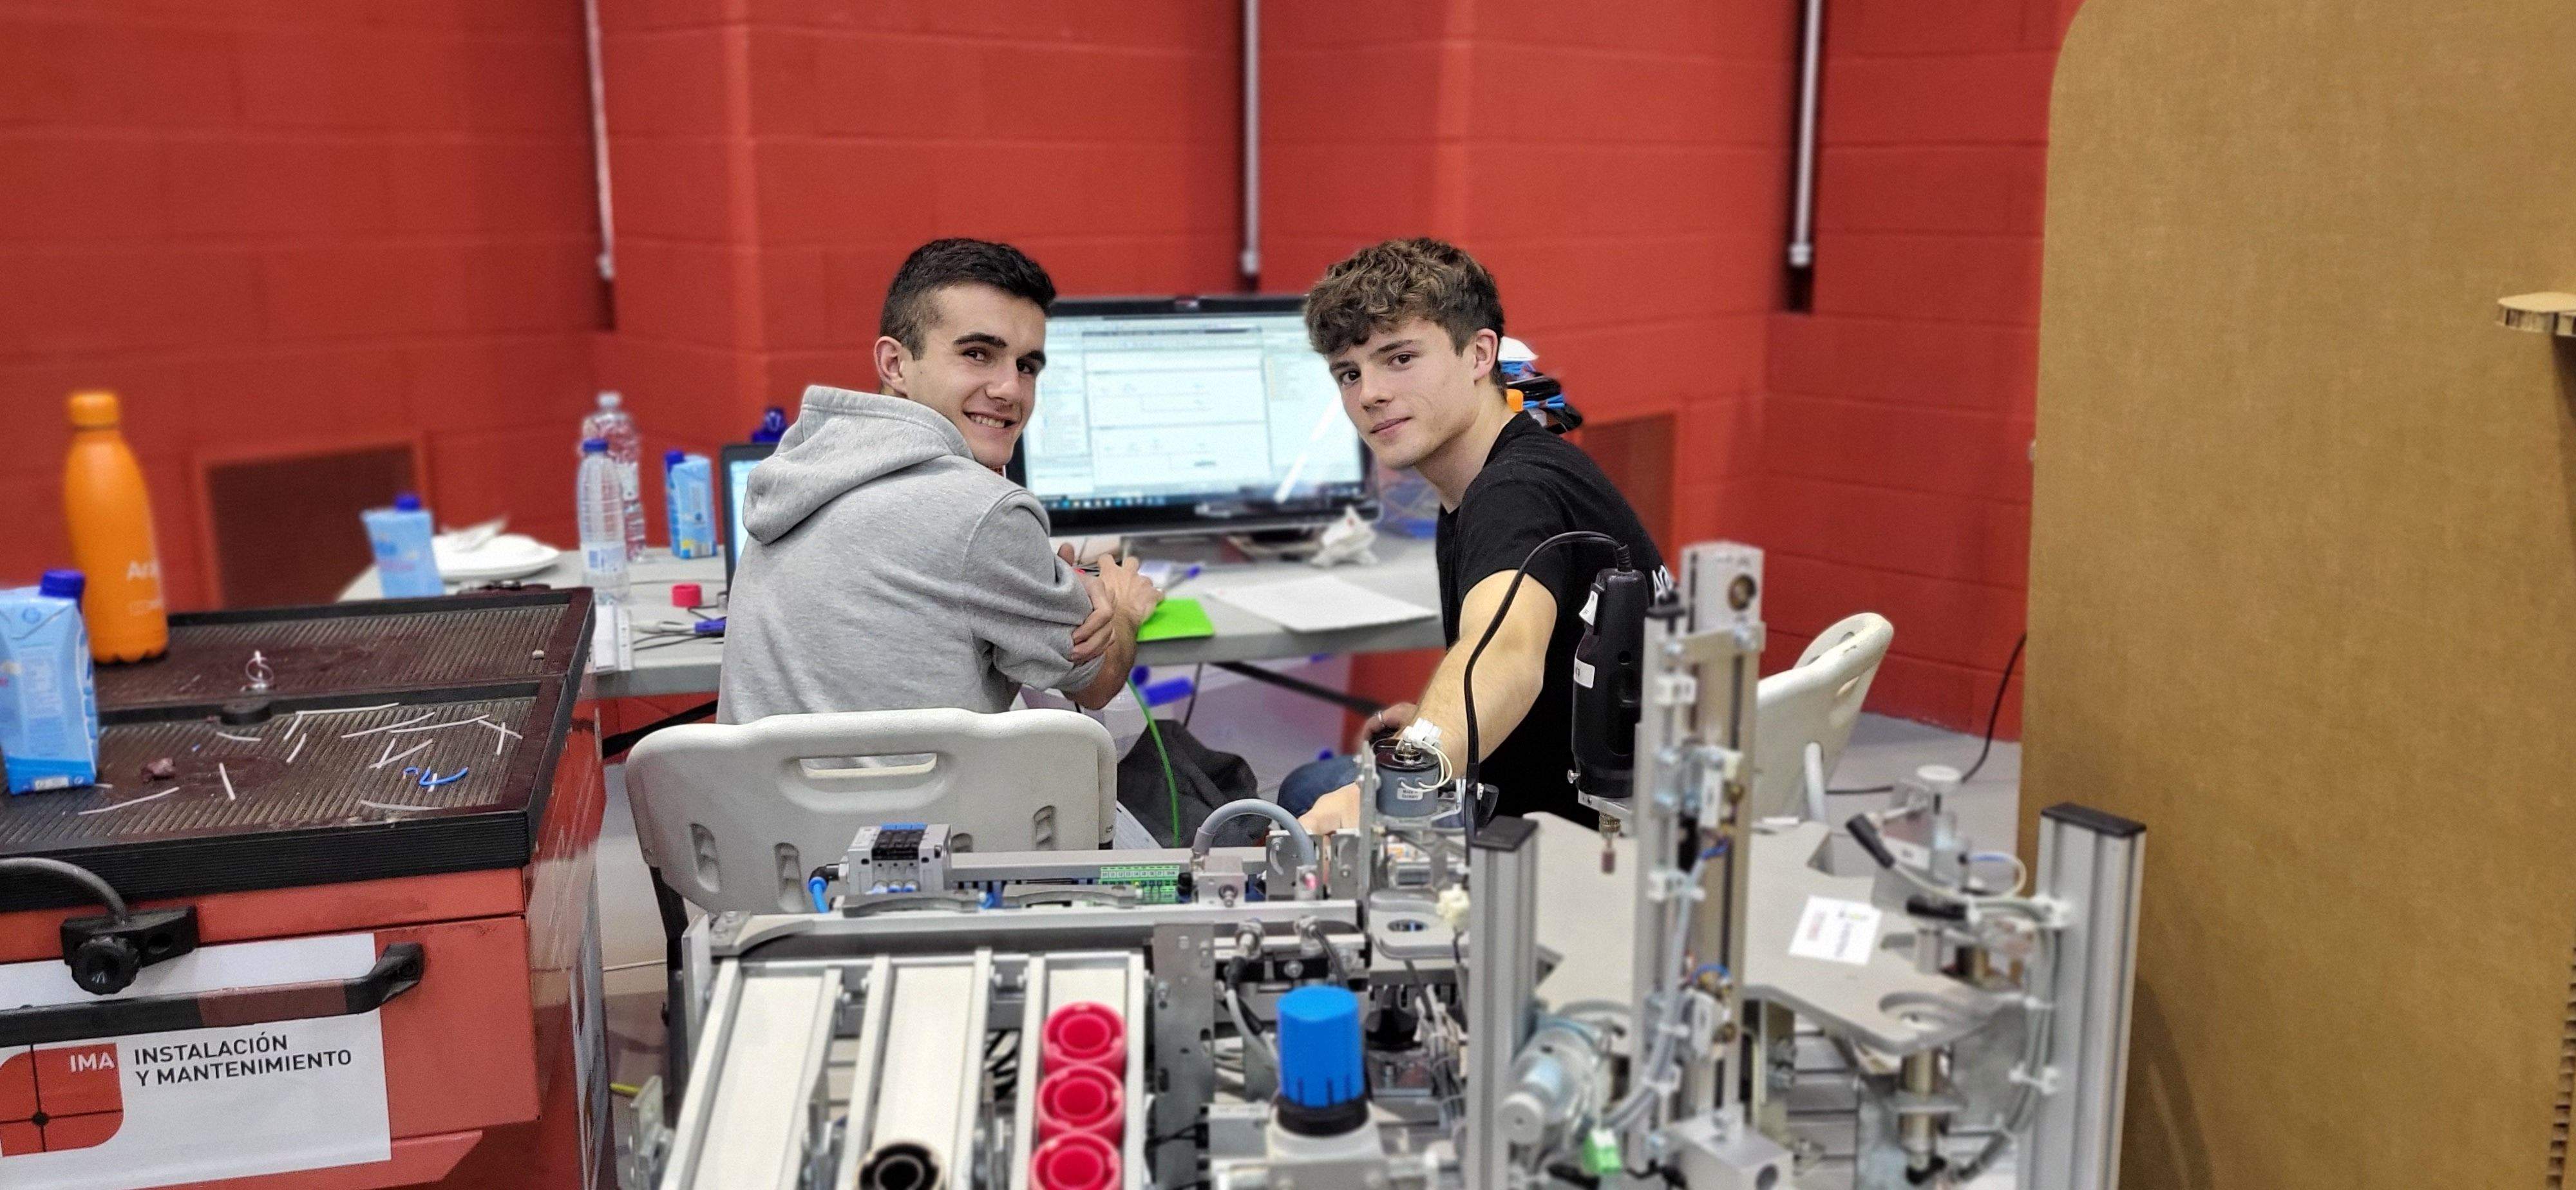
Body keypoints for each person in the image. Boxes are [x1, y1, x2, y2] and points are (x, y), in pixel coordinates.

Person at [1287, 238, 1665, 832]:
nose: (1369, 394)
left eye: (1400, 358)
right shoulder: (1509, 469)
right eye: (1349, 373)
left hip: (1557, 844)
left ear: (1479, 353)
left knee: (1307, 792)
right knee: (1316, 782)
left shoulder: (1512, 495)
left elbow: (1507, 655)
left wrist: (1402, 778)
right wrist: (1429, 726)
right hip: (1575, 788)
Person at [719, 238, 1162, 724]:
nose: (1010, 389)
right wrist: (1123, 607)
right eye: (977, 354)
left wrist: (1027, 593)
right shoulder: (988, 513)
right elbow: (1095, 684)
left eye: (1027, 366)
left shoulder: (804, 469)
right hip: (927, 801)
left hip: (759, 800)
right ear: (895, 364)